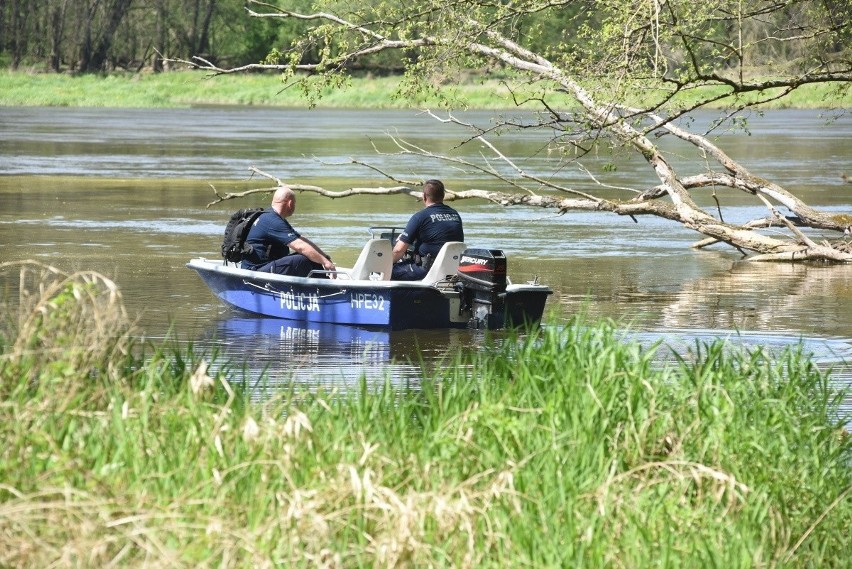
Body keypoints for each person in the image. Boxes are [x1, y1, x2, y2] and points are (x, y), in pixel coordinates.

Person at [241, 186, 336, 277]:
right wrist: (325, 263)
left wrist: (324, 257)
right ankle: (327, 288)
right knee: (303, 259)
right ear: (290, 203)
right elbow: (300, 246)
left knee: (311, 256)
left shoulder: (272, 216)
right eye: (295, 203)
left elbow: (302, 240)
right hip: (256, 271)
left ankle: (323, 283)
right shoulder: (272, 220)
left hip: (262, 267)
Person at [391, 179, 464, 281]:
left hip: (425, 270)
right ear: (443, 196)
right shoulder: (455, 215)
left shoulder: (420, 217)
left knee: (387, 271)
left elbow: (398, 250)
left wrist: (386, 264)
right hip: (451, 270)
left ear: (424, 196)